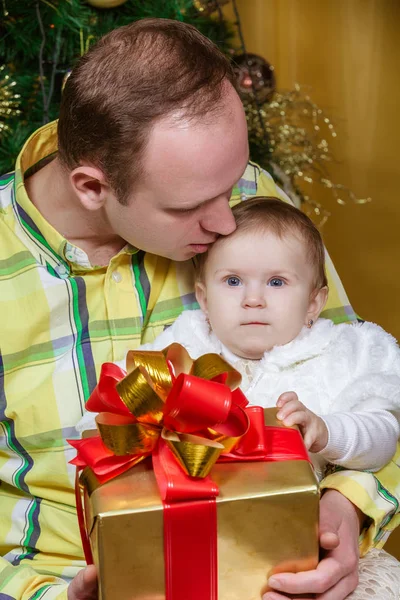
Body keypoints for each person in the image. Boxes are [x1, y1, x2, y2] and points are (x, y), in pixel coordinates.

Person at [0, 17, 399, 600]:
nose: (226, 221)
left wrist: (348, 509)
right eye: (192, 207)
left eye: (232, 183)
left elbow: (365, 382)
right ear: (92, 186)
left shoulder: (251, 203)